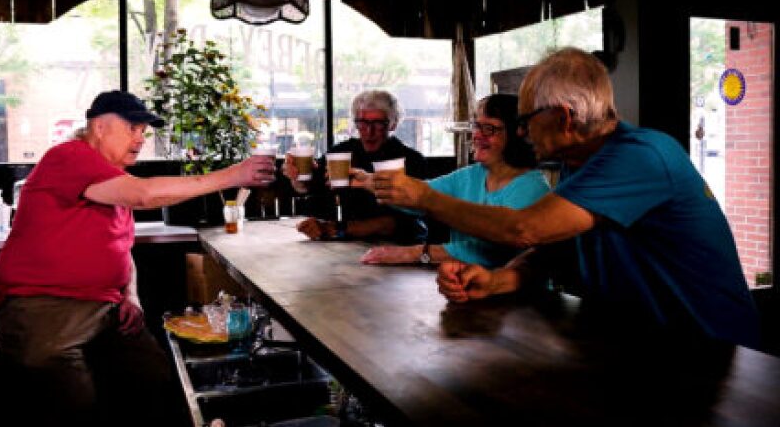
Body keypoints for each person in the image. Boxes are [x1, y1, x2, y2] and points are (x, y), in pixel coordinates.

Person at [370, 48, 760, 348]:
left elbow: (526, 228)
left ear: (564, 117)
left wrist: (425, 197)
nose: (522, 134)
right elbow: (562, 248)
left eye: (525, 122)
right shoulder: (581, 163)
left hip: (712, 349)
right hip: (643, 344)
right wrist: (499, 280)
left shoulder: (641, 155)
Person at [0, 90, 275, 426]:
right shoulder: (69, 157)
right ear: (99, 127)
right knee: (72, 401)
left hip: (105, 307)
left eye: (144, 131)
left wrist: (130, 296)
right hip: (44, 306)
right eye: (132, 128)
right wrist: (231, 176)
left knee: (152, 376)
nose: (140, 138)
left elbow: (120, 249)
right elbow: (144, 195)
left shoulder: (110, 179)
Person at [359, 94, 549, 268]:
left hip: (522, 299)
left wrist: (416, 252)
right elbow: (418, 198)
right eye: (476, 126)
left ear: (517, 135)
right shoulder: (471, 175)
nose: (477, 135)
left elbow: (492, 252)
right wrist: (366, 181)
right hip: (466, 287)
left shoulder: (531, 187)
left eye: (489, 128)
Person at [282, 89, 427, 243]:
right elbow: (309, 186)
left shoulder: (411, 160)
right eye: (362, 122)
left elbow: (397, 223)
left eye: (377, 123)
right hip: (353, 246)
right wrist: (297, 176)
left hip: (405, 246)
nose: (368, 131)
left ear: (393, 124)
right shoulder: (342, 153)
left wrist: (336, 228)